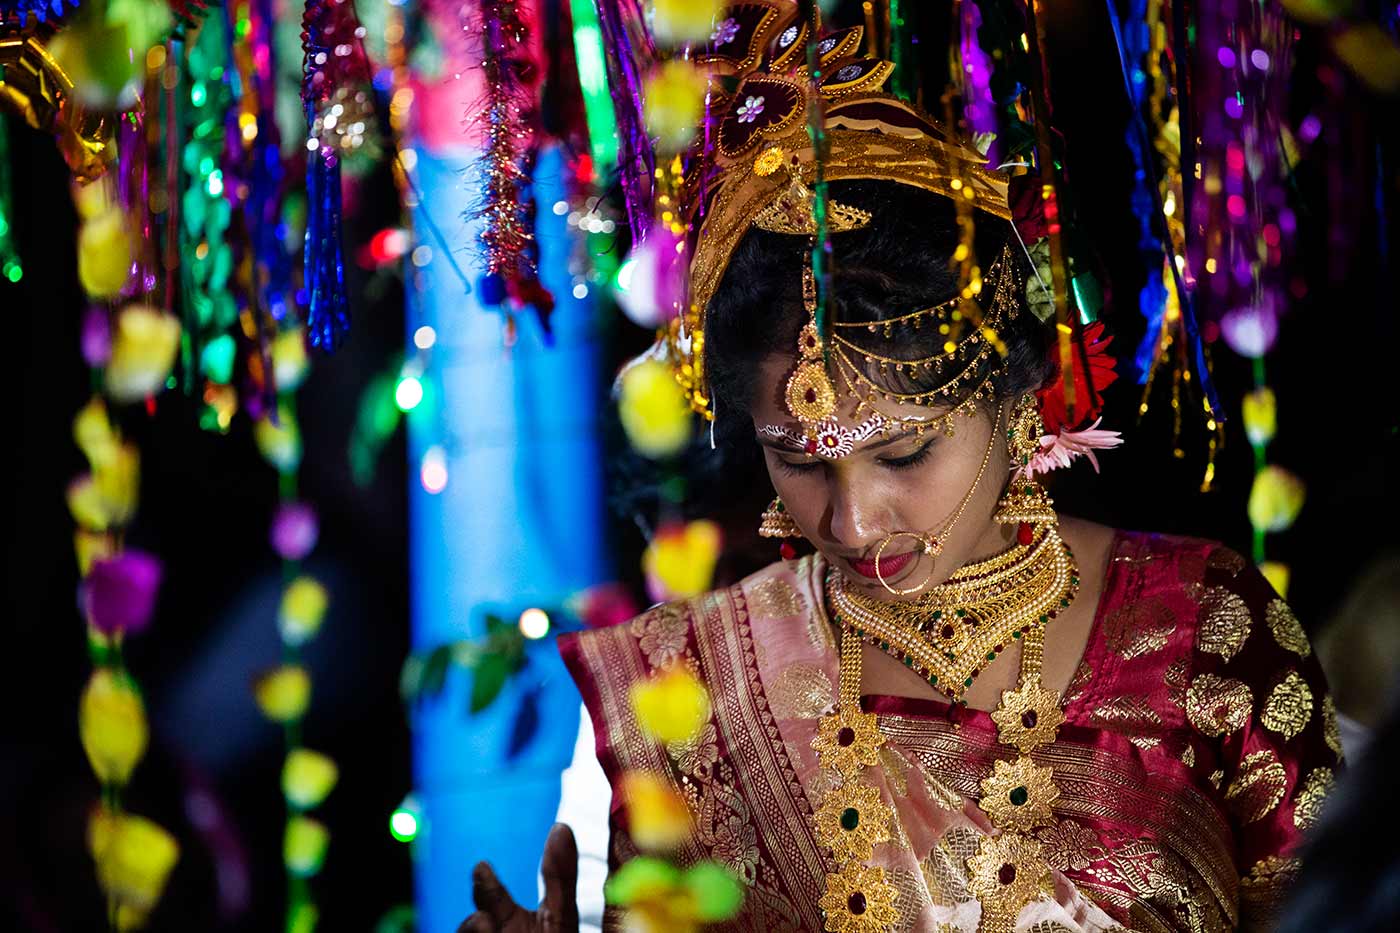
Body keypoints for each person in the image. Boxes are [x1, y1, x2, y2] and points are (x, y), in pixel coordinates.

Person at [461, 6, 1339, 932]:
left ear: (1020, 396)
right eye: (796, 459)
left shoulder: (1207, 626)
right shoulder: (692, 685)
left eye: (906, 450)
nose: (853, 521)